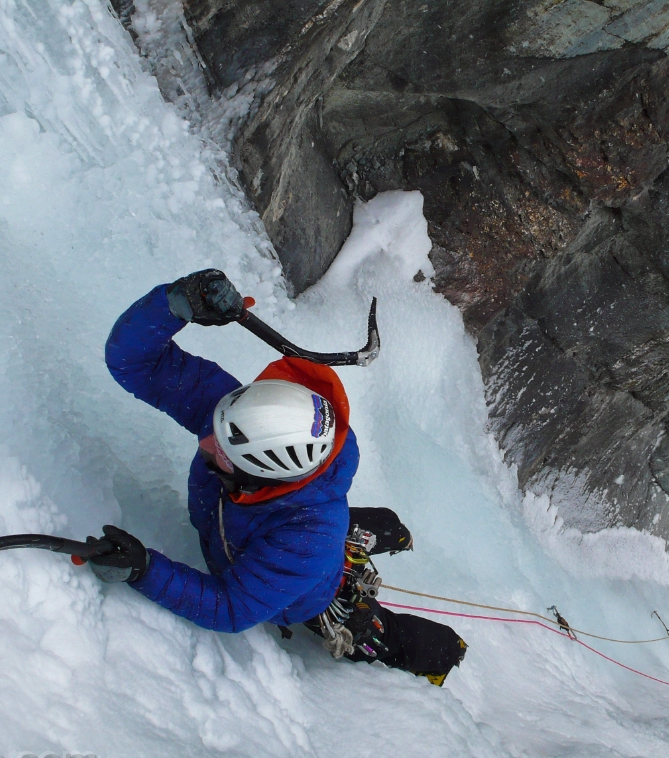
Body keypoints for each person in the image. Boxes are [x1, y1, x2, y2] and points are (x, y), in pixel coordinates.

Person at [88, 269, 467, 685]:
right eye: (216, 428)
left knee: (377, 633)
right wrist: (177, 304)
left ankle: (447, 651)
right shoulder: (238, 422)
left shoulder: (305, 541)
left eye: (225, 455)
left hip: (310, 588)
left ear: (260, 477)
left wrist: (144, 569)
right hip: (300, 531)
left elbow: (230, 607)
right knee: (326, 531)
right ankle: (381, 527)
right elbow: (134, 360)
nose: (207, 441)